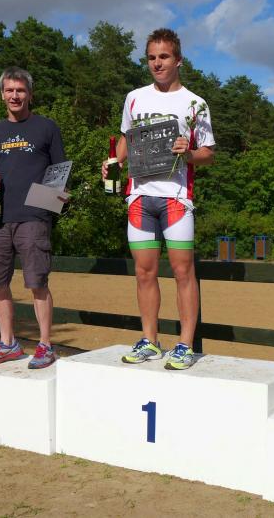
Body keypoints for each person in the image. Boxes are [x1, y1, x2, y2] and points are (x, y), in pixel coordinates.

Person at [102, 28, 215, 370]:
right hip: (140, 198)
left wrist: (189, 153)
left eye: (164, 56)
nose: (157, 63)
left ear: (178, 60)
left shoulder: (195, 103)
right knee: (144, 272)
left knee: (183, 272)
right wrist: (113, 162)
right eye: (151, 57)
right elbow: (126, 139)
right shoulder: (134, 97)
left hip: (176, 199)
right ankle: (150, 341)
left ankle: (185, 345)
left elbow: (208, 153)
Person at [0, 66, 66, 369]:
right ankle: (8, 344)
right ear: (2, 94)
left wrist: (45, 210)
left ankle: (45, 346)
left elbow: (60, 173)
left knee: (37, 282)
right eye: (9, 90)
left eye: (20, 90)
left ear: (30, 94)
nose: (15, 95)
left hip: (34, 217)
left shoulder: (46, 127)